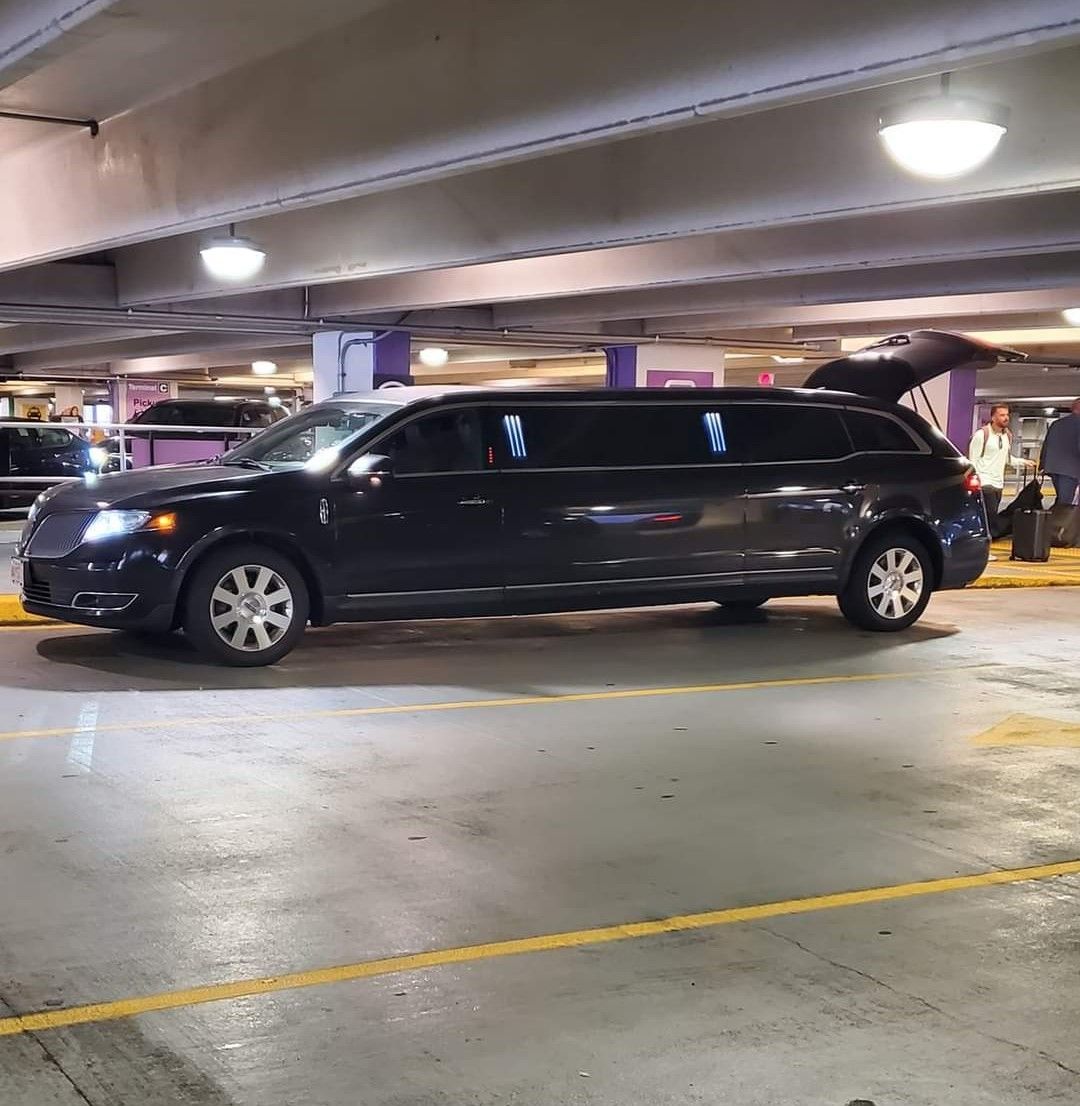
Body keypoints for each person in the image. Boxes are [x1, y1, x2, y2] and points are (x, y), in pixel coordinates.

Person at [967, 404, 1035, 535]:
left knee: (991, 516)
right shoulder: (982, 435)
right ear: (993, 417)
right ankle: (986, 541)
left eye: (1007, 415)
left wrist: (1024, 462)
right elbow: (972, 460)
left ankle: (986, 539)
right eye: (1002, 415)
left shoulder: (1007, 435)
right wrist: (977, 480)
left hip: (999, 483)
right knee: (990, 514)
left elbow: (1007, 459)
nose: (1006, 418)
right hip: (985, 482)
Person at [1040, 398, 1080, 508]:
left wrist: (1042, 464)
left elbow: (1046, 444)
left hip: (1053, 468)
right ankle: (1058, 518)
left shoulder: (1056, 423)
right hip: (1071, 469)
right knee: (1065, 502)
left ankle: (1056, 516)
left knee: (1061, 498)